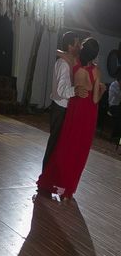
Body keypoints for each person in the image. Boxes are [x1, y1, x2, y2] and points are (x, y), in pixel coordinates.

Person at [37, 37, 105, 200]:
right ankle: (67, 189)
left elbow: (58, 52)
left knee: (65, 147)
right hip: (89, 111)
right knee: (79, 151)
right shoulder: (97, 71)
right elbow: (95, 100)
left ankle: (53, 182)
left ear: (82, 49)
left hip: (75, 108)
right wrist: (102, 90)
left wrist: (64, 51)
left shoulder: (74, 63)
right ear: (95, 55)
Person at [41, 31, 87, 170]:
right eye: (77, 43)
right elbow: (61, 91)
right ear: (70, 46)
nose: (79, 46)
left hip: (64, 108)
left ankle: (50, 176)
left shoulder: (70, 61)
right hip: (60, 108)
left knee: (60, 144)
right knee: (55, 143)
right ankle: (45, 178)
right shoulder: (63, 64)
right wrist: (76, 90)